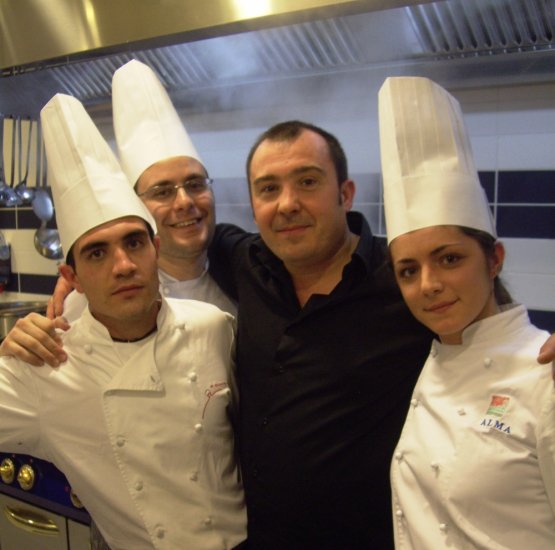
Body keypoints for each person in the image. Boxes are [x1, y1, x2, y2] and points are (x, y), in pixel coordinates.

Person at [4, 116, 555, 545]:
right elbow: (182, 232)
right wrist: (72, 295)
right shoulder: (246, 263)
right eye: (267, 189)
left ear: (345, 194)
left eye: (307, 182)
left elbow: (482, 318)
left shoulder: (402, 277)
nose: (287, 205)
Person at [0, 93, 246, 549]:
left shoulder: (214, 325)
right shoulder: (50, 362)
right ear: (71, 277)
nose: (123, 265)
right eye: (97, 252)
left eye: (134, 243)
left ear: (155, 249)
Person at [379, 76, 555, 548]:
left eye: (450, 259)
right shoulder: (432, 356)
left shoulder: (545, 374)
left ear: (493, 259)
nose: (429, 285)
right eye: (408, 270)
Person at [0, 59, 235, 367]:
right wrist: (14, 353)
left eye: (195, 183)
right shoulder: (93, 302)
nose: (184, 202)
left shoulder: (245, 273)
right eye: (162, 191)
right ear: (137, 208)